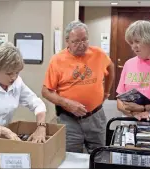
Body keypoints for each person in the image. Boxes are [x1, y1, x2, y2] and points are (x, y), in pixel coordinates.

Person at [42, 20, 115, 153]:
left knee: (99, 155)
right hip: (69, 119)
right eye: (76, 41)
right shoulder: (57, 60)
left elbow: (111, 67)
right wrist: (66, 103)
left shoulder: (98, 54)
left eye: (84, 40)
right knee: (71, 157)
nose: (81, 45)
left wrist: (106, 93)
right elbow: (46, 91)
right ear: (67, 41)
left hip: (95, 116)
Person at [116, 20, 150, 125]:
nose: (133, 46)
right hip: (132, 122)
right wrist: (134, 113)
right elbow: (119, 101)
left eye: (137, 41)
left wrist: (144, 108)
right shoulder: (129, 64)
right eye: (131, 42)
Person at [0, 42, 47, 143]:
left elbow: (37, 103)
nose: (14, 77)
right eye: (9, 73)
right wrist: (3, 130)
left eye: (17, 72)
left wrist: (41, 127)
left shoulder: (17, 82)